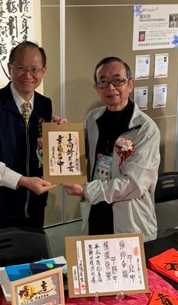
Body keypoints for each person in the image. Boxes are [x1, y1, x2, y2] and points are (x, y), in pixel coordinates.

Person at [0, 41, 64, 234]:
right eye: (21, 68)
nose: (28, 75)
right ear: (10, 68)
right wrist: (23, 181)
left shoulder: (45, 105)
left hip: (35, 205)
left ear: (43, 71)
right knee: (0, 254)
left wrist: (59, 136)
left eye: (34, 69)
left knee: (33, 253)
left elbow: (42, 153)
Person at [63, 56, 160, 242]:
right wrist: (58, 135)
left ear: (130, 84)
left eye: (118, 80)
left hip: (128, 214)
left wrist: (86, 191)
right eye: (103, 81)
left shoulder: (146, 129)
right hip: (97, 207)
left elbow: (134, 184)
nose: (110, 87)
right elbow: (78, 151)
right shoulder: (93, 118)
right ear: (96, 87)